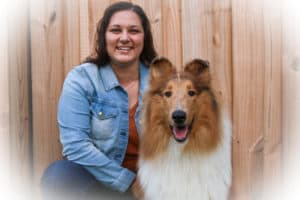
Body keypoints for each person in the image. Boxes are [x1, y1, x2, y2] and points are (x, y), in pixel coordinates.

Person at [40, 2, 157, 199]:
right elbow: (75, 146)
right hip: (100, 184)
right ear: (104, 35)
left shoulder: (162, 83)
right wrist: (128, 182)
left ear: (144, 37)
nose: (125, 38)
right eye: (116, 30)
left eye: (134, 31)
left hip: (153, 186)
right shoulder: (82, 79)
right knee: (58, 176)